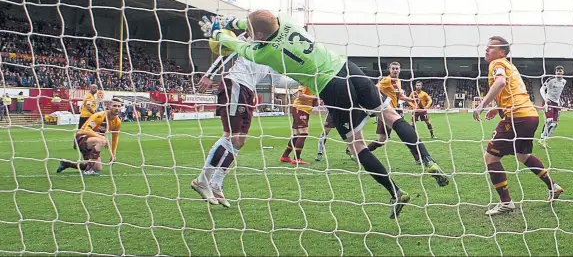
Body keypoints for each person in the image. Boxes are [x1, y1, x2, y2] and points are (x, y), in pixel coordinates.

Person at [202, 12, 450, 219]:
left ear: (259, 36)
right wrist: (231, 22)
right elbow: (255, 22)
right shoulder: (286, 20)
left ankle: (395, 192)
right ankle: (427, 159)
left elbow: (236, 43)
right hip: (348, 68)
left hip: (331, 86)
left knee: (357, 145)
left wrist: (217, 31)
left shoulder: (262, 53)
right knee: (391, 115)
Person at [191, 33, 299, 208]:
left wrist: (304, 81)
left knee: (239, 141)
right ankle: (202, 180)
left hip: (248, 91)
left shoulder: (274, 57)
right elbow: (227, 48)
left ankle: (216, 184)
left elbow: (279, 80)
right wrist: (209, 74)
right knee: (231, 135)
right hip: (235, 84)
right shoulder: (252, 37)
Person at [473, 36, 564, 215]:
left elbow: (500, 83)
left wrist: (482, 105)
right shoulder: (510, 66)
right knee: (523, 156)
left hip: (517, 117)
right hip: (530, 116)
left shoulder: (497, 63)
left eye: (490, 47)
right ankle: (553, 186)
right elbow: (509, 91)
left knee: (490, 158)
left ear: (501, 52)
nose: (486, 50)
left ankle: (506, 202)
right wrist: (496, 107)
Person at [57, 98, 123, 176]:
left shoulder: (117, 121)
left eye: (119, 106)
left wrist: (113, 154)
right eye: (114, 106)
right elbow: (86, 130)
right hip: (81, 138)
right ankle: (88, 170)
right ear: (108, 106)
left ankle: (67, 163)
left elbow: (115, 137)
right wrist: (102, 138)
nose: (117, 108)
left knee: (97, 168)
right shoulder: (99, 116)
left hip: (93, 142)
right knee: (102, 141)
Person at [280, 85, 317, 165]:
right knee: (303, 133)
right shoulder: (305, 83)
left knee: (297, 134)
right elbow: (300, 96)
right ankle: (297, 159)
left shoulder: (314, 84)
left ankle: (285, 156)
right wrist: (314, 97)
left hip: (302, 110)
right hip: (300, 109)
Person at [538, 66, 567, 148]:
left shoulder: (564, 81)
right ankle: (541, 138)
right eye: (557, 71)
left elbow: (558, 94)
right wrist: (546, 99)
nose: (559, 72)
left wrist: (560, 102)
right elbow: (541, 89)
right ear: (555, 72)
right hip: (548, 101)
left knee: (555, 124)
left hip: (556, 103)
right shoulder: (550, 80)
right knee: (549, 120)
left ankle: (544, 139)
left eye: (560, 71)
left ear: (563, 72)